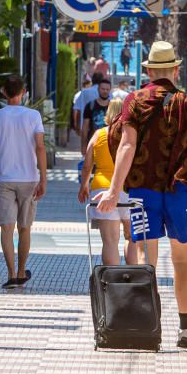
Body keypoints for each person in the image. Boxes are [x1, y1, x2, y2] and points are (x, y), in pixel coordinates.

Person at [97, 41, 187, 349]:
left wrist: (115, 191)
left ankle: (148, 322)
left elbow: (126, 145)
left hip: (143, 191)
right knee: (182, 259)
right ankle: (185, 324)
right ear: (175, 69)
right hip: (180, 191)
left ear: (148, 71)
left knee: (146, 257)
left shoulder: (134, 101)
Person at [0, 75, 47, 288]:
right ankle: (22, 271)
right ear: (23, 92)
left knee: (6, 229)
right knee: (25, 228)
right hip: (29, 178)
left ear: (4, 92)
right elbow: (40, 147)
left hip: (3, 178)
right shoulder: (33, 116)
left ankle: (11, 273)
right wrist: (44, 178)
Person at [79, 98, 138, 265]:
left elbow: (87, 165)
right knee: (132, 237)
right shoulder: (132, 134)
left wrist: (84, 185)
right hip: (128, 189)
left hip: (101, 189)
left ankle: (112, 283)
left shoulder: (99, 135)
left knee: (110, 241)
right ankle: (133, 277)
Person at [81, 77, 112, 154]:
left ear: (110, 90)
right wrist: (83, 145)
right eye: (103, 89)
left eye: (107, 89)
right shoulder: (90, 106)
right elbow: (85, 127)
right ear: (98, 89)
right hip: (93, 144)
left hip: (109, 146)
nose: (105, 91)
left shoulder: (113, 106)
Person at [74, 71, 105, 150]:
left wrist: (76, 126)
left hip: (86, 128)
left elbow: (76, 110)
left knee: (87, 152)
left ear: (92, 80)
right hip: (103, 129)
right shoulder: (107, 93)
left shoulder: (84, 92)